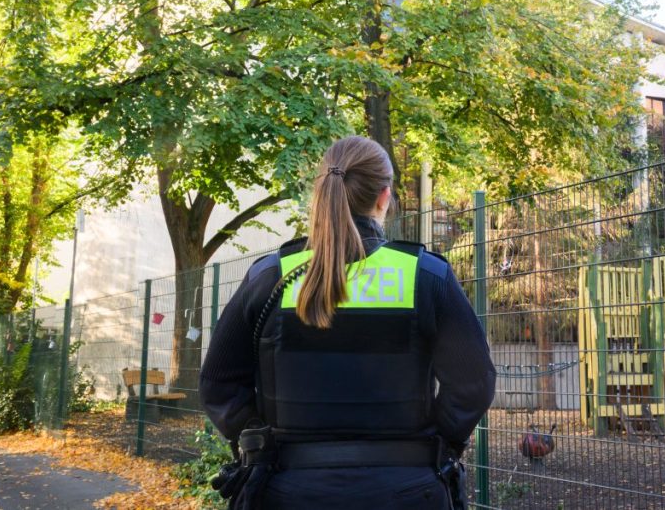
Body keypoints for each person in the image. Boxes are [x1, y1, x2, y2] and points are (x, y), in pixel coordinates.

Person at [199, 136, 496, 509]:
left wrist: (259, 441)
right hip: (407, 491)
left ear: (322, 191)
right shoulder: (427, 277)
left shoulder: (271, 276)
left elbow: (218, 383)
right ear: (384, 196)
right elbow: (475, 383)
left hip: (287, 490)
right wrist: (436, 444)